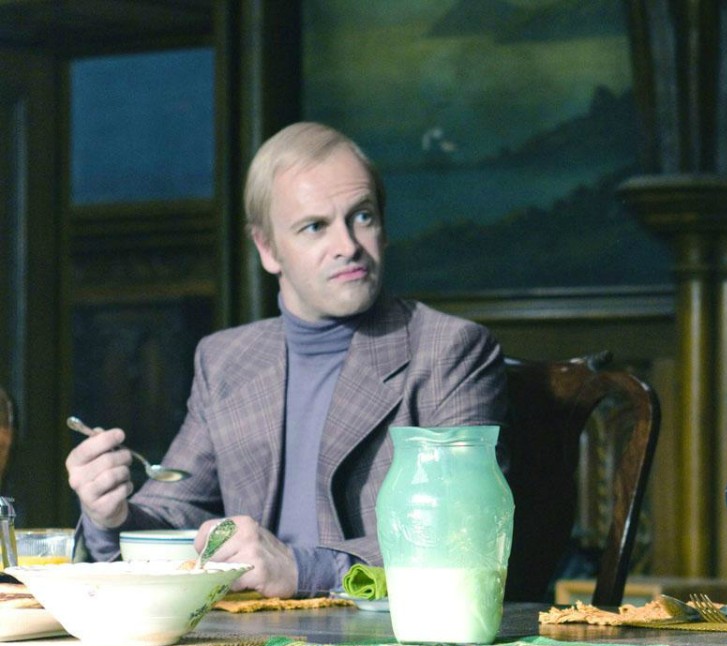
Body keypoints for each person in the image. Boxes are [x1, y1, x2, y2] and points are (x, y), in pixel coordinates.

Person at [66, 122, 508, 598]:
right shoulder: (226, 360)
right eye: (315, 227)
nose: (348, 246)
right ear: (267, 248)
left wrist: (302, 570)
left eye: (362, 216)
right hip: (242, 636)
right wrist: (110, 516)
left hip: (381, 634)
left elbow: (462, 534)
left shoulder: (449, 350)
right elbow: (176, 511)